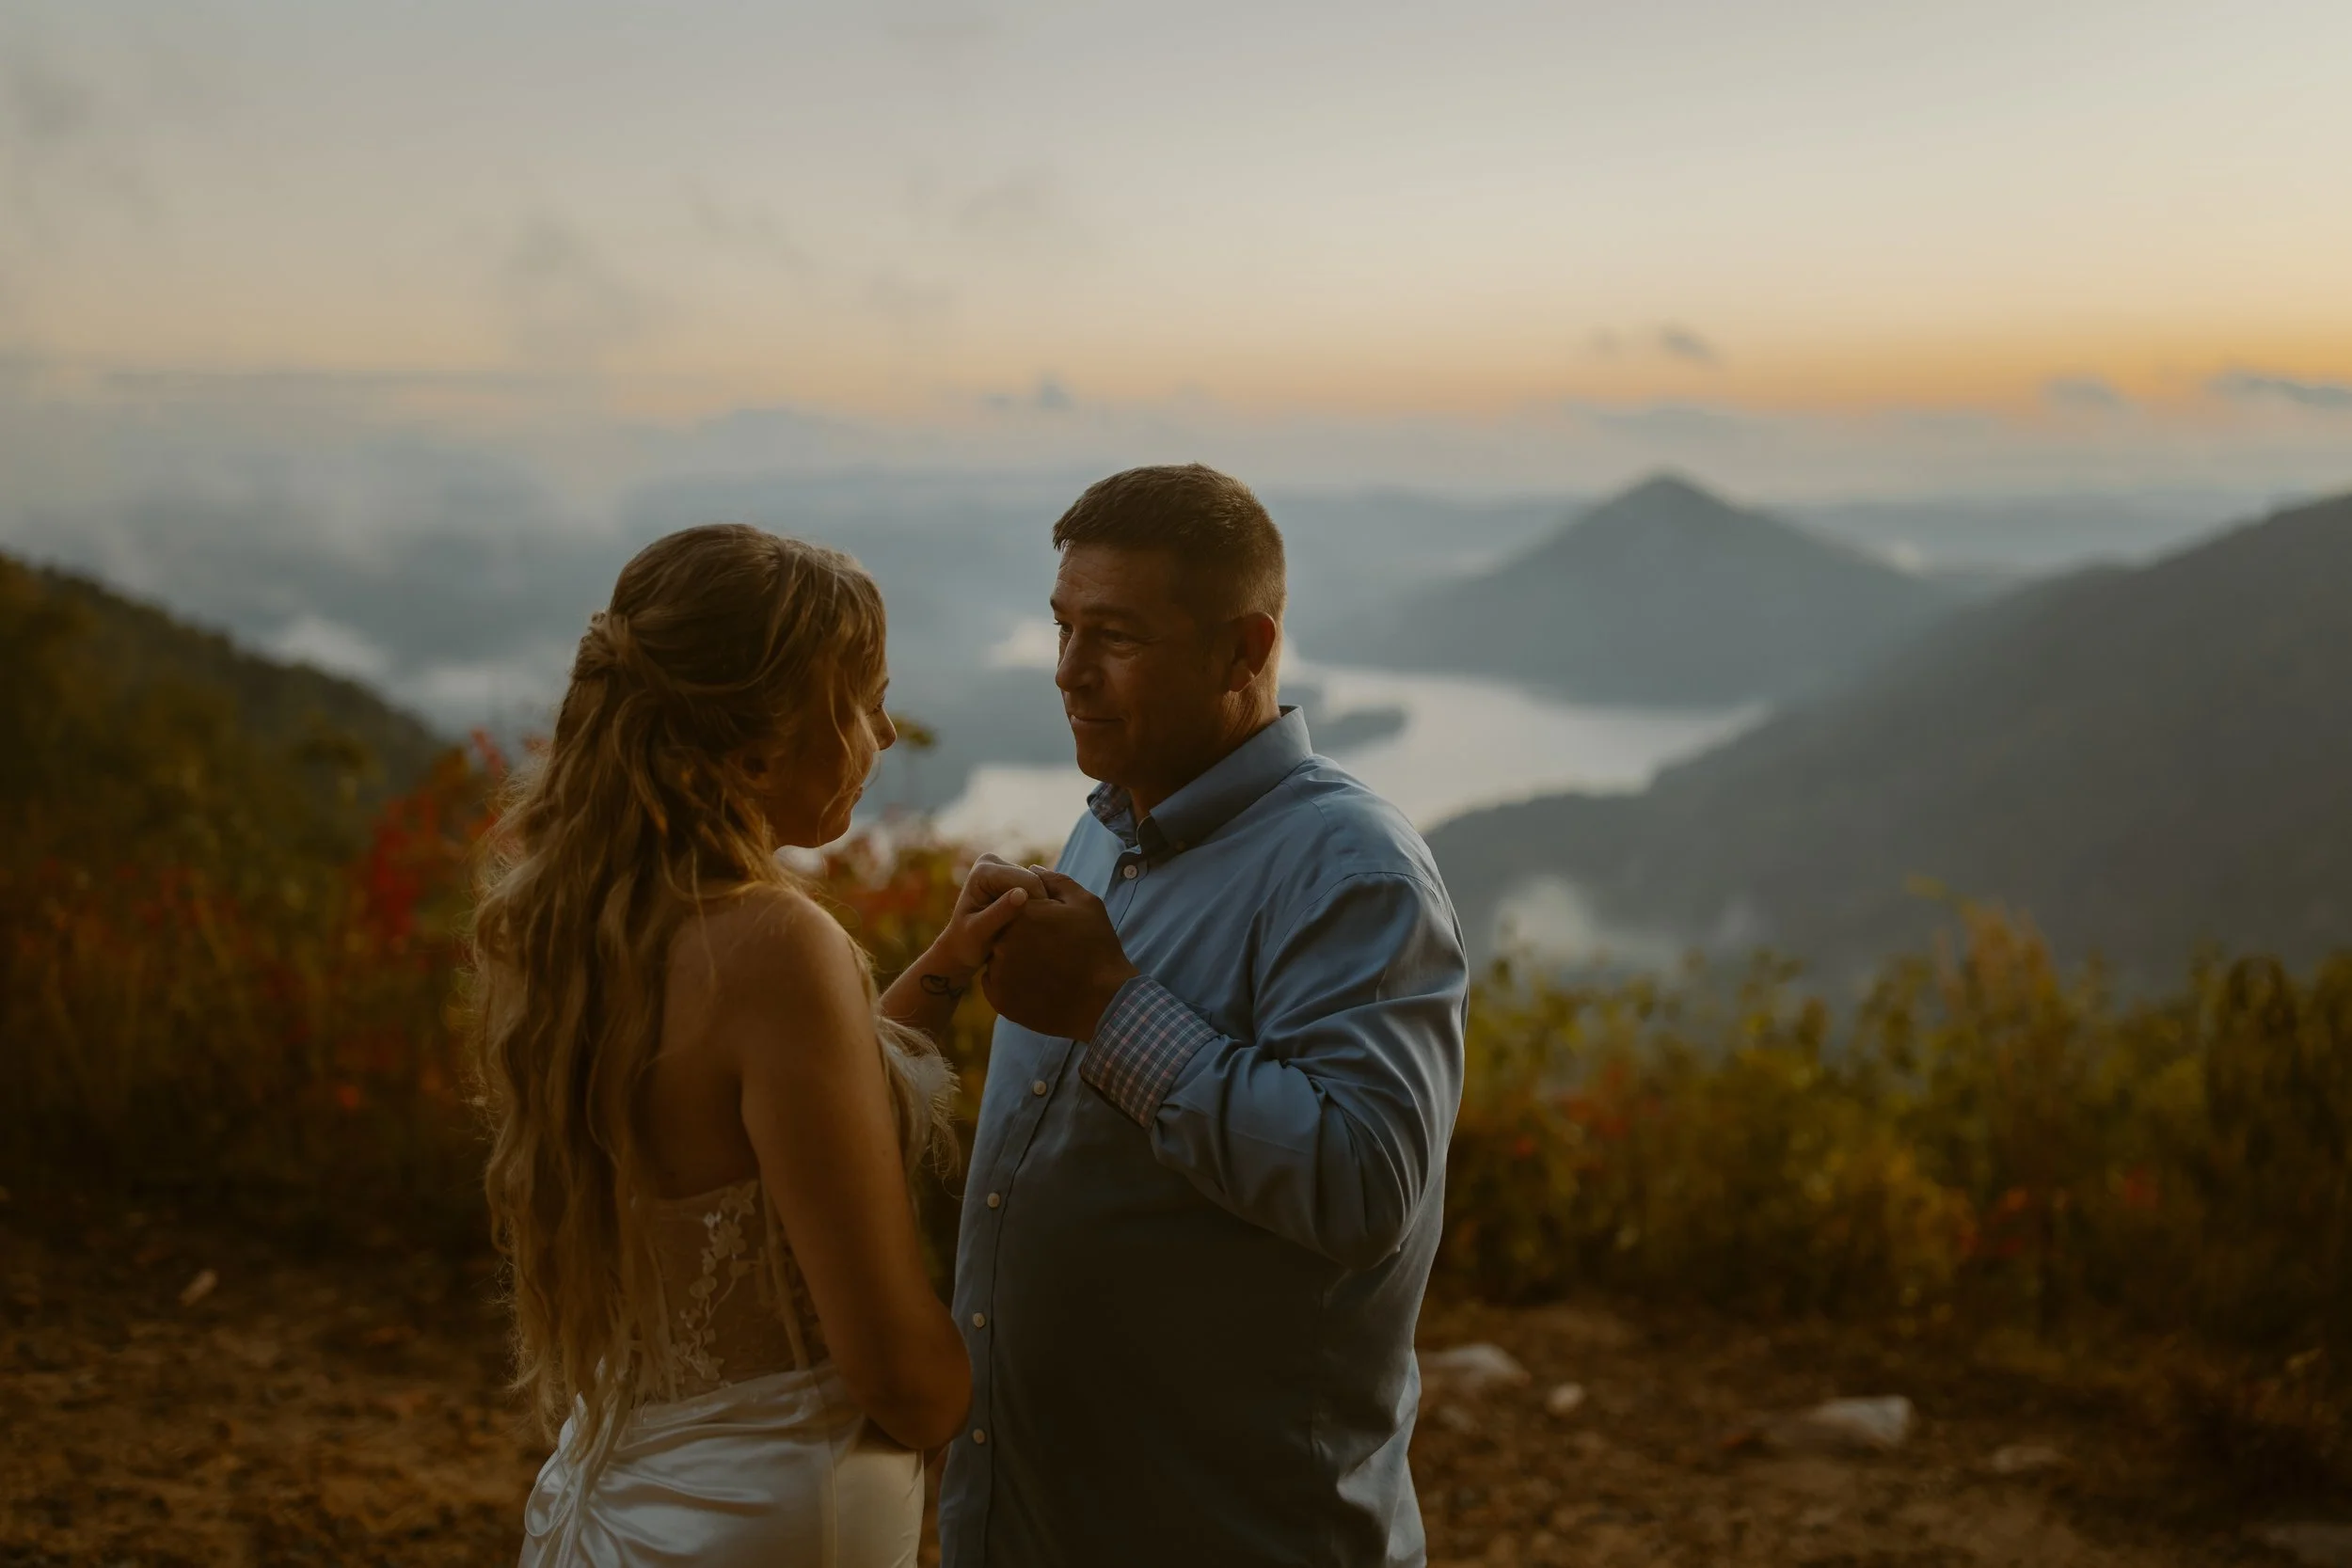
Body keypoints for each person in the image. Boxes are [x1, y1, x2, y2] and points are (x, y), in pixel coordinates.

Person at [924, 465, 1471, 1567]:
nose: (1070, 672)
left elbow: (1366, 1184)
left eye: (1115, 636)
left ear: (1244, 648)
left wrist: (1105, 1004)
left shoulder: (1352, 869)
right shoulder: (1109, 827)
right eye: (1063, 627)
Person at [470, 524, 1027, 1567]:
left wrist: (947, 965)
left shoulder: (585, 926)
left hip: (624, 1486)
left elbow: (773, 1111)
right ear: (757, 744)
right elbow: (902, 1379)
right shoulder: (778, 945)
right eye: (859, 702)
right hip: (781, 1508)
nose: (884, 734)